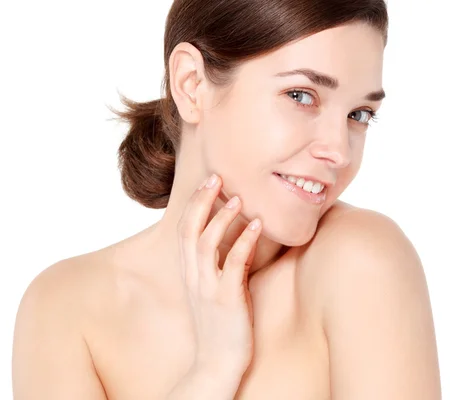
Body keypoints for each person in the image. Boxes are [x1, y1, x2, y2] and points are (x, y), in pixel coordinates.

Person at [12, 0, 441, 399]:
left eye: (358, 115)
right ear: (192, 84)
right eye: (301, 96)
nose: (339, 151)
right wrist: (212, 371)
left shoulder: (362, 261)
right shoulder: (65, 311)